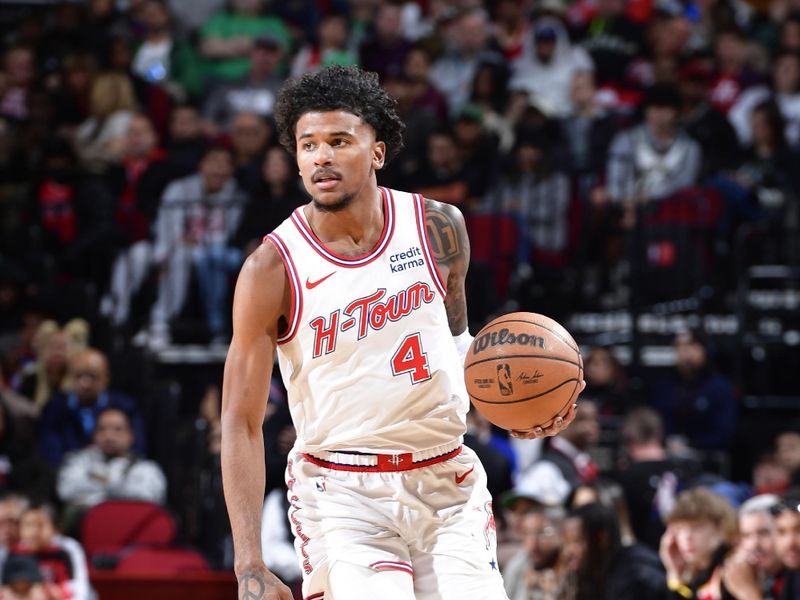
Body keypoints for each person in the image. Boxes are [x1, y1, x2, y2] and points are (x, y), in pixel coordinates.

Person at [220, 65, 581, 600]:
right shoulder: (271, 269)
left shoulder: (438, 228)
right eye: (308, 145)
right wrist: (248, 561)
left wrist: (515, 401)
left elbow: (457, 347)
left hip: (445, 478)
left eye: (339, 141)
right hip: (343, 491)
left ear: (378, 152)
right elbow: (241, 421)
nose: (321, 156)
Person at [38, 348, 144, 467]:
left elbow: (136, 450)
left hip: (118, 474)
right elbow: (50, 453)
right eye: (78, 376)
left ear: (106, 377)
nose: (85, 384)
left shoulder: (124, 407)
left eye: (92, 376)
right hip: (68, 475)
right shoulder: (55, 408)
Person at [56, 407, 166, 519]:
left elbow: (146, 497)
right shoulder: (78, 462)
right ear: (94, 435)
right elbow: (65, 491)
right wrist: (116, 488)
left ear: (131, 436)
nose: (109, 437)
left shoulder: (147, 468)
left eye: (117, 429)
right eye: (102, 429)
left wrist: (98, 488)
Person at [501, 503, 570, 600]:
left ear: (561, 533)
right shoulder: (517, 565)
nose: (533, 542)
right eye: (527, 533)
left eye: (541, 533)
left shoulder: (570, 566)